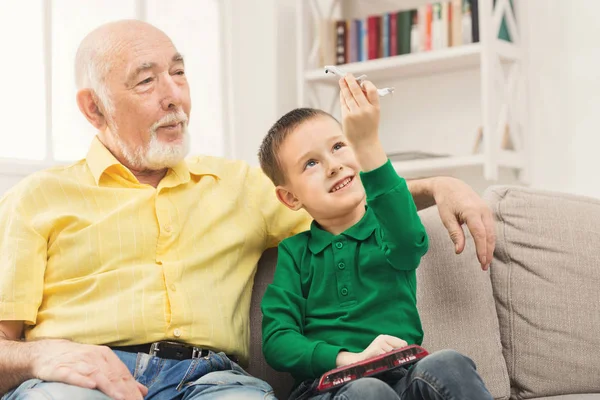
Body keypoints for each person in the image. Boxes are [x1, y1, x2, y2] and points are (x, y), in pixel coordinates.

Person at [0, 20, 494, 400]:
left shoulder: (238, 186)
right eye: (146, 82)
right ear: (94, 108)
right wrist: (43, 356)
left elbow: (341, 199)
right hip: (85, 383)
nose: (175, 97)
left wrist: (439, 185)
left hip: (212, 382)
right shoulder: (36, 199)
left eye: (178, 72)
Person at [258, 75, 493, 400]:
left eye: (339, 146)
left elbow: (409, 241)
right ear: (290, 198)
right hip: (330, 387)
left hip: (403, 374)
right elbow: (277, 339)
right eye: (311, 163)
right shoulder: (295, 254)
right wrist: (348, 360)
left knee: (448, 363)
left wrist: (369, 145)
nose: (334, 166)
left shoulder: (387, 227)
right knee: (368, 390)